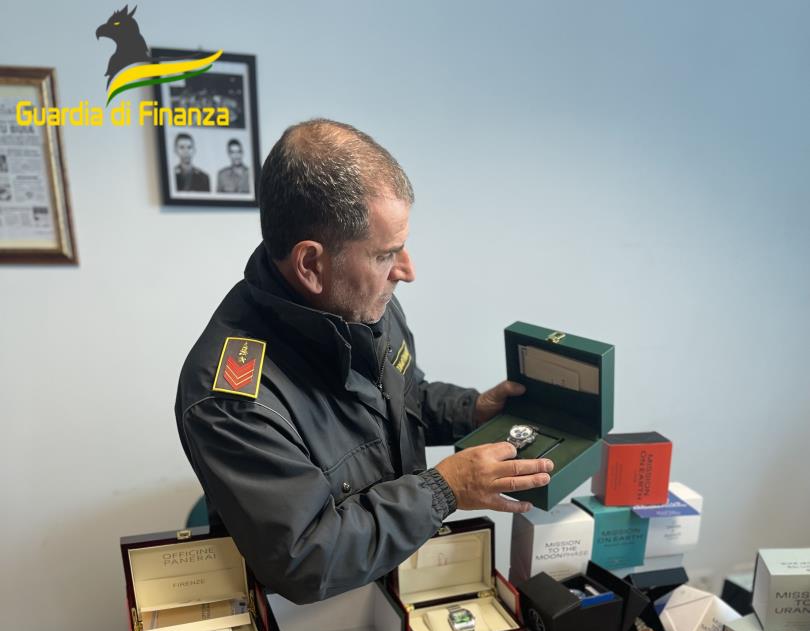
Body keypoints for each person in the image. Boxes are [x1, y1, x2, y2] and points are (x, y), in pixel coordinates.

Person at [175, 118, 552, 604]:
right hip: (315, 615)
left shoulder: (360, 300)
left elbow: (398, 399)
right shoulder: (230, 397)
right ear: (311, 264)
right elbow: (305, 557)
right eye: (386, 254)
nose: (407, 271)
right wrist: (443, 490)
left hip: (397, 569)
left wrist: (472, 411)